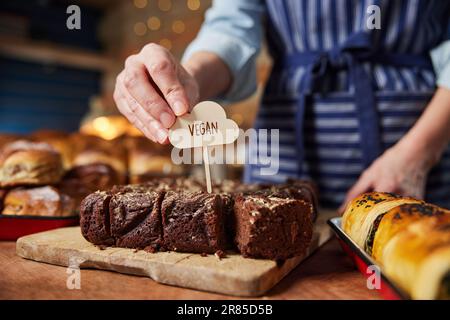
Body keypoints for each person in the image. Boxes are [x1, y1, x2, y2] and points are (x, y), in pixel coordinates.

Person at [113, 0, 450, 210]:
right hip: (284, 150)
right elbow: (232, 28)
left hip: (426, 151)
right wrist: (189, 78)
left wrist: (419, 152)